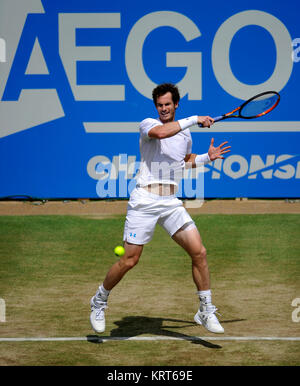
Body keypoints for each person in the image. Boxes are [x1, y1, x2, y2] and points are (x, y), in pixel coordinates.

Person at [90, 83, 231, 334]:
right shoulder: (148, 124)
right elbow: (161, 134)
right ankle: (99, 301)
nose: (164, 108)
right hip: (144, 200)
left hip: (170, 203)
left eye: (168, 104)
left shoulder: (186, 134)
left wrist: (205, 157)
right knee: (130, 259)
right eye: (160, 105)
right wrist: (195, 119)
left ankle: (205, 310)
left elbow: (184, 161)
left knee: (199, 252)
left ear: (176, 104)